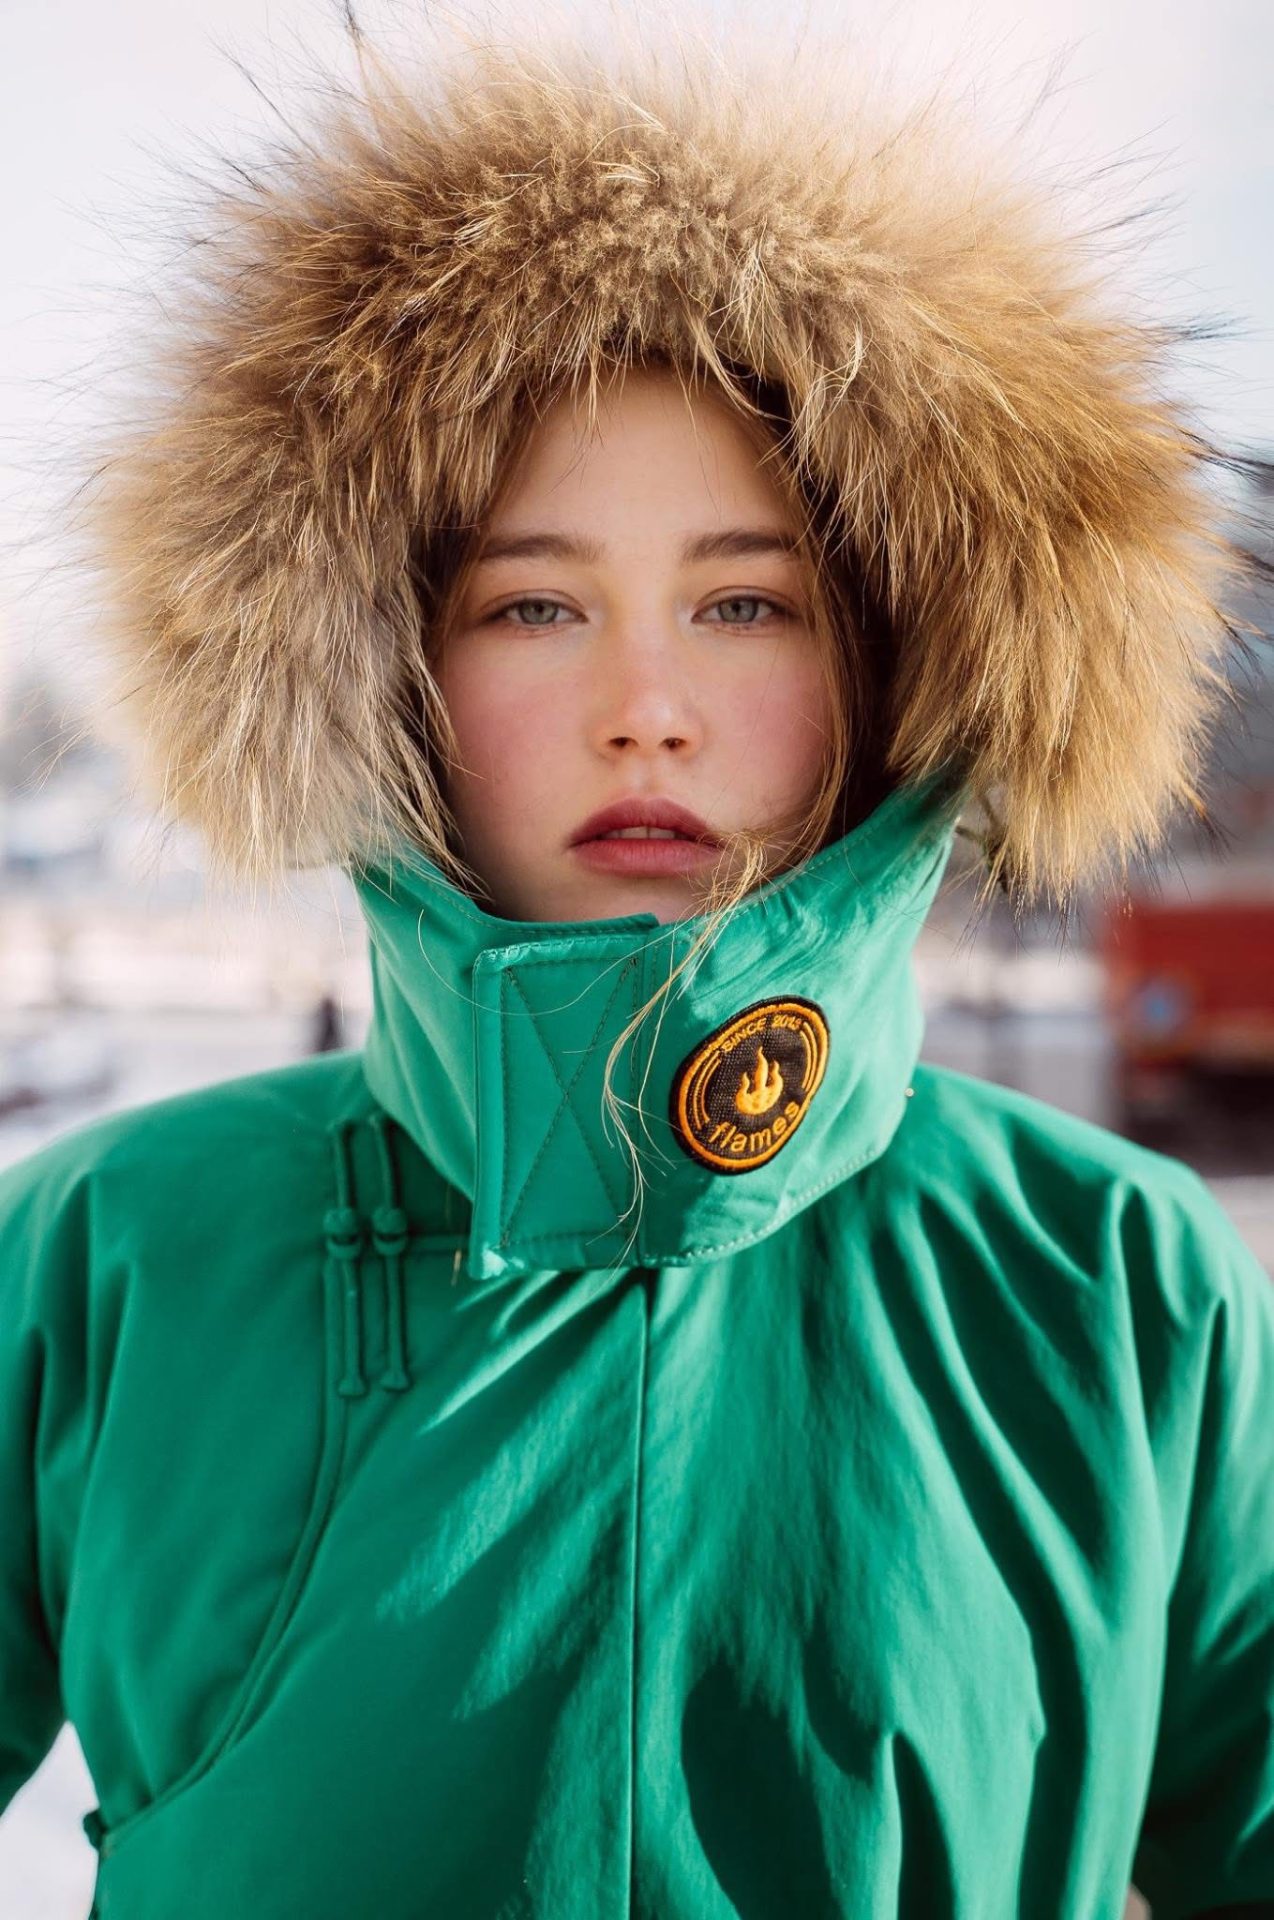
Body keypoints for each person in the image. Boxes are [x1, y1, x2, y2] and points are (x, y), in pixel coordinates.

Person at [2, 19, 1272, 1920]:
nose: (647, 712)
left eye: (744, 603)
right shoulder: (109, 1258)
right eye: (532, 604)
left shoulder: (1112, 1289)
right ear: (384, 674)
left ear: (897, 660)